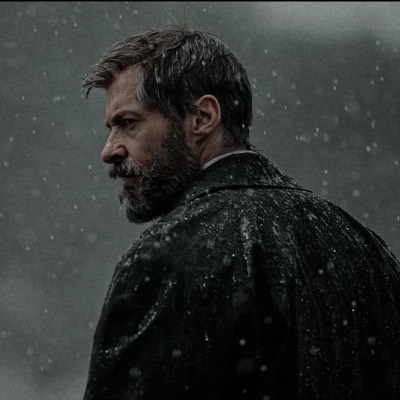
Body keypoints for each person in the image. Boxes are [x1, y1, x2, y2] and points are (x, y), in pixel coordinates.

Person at [81, 24, 400, 400]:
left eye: (128, 123)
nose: (109, 150)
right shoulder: (363, 247)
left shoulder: (167, 256)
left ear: (202, 118)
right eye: (110, 128)